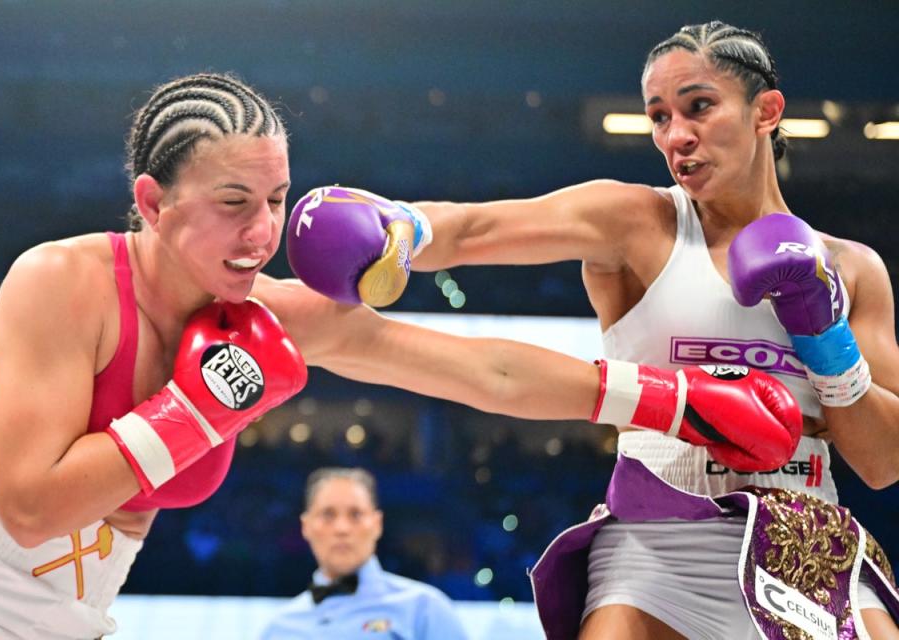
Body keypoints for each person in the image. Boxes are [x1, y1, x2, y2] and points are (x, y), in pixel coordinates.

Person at [0, 71, 800, 640]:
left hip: (73, 616)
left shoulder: (271, 315)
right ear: (154, 204)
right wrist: (198, 407)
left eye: (275, 199)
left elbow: (474, 369)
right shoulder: (61, 282)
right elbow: (28, 509)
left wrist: (666, 399)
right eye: (233, 202)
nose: (262, 233)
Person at [285, 22, 899, 640]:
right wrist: (401, 226)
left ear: (766, 111)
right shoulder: (638, 221)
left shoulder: (851, 268)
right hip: (658, 538)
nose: (676, 136)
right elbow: (476, 230)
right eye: (659, 117)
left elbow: (881, 463)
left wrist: (825, 336)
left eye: (699, 106)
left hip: (805, 537)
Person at [258, 467, 469, 640]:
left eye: (356, 514)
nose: (342, 528)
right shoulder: (279, 628)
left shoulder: (424, 609)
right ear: (306, 526)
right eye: (328, 515)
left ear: (377, 524)